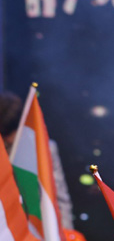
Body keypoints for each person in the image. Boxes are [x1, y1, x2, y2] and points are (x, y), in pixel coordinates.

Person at [0, 90, 75, 231]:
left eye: (12, 132)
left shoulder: (43, 148)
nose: (9, 139)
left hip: (36, 228)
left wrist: (65, 234)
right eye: (4, 134)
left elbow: (59, 197)